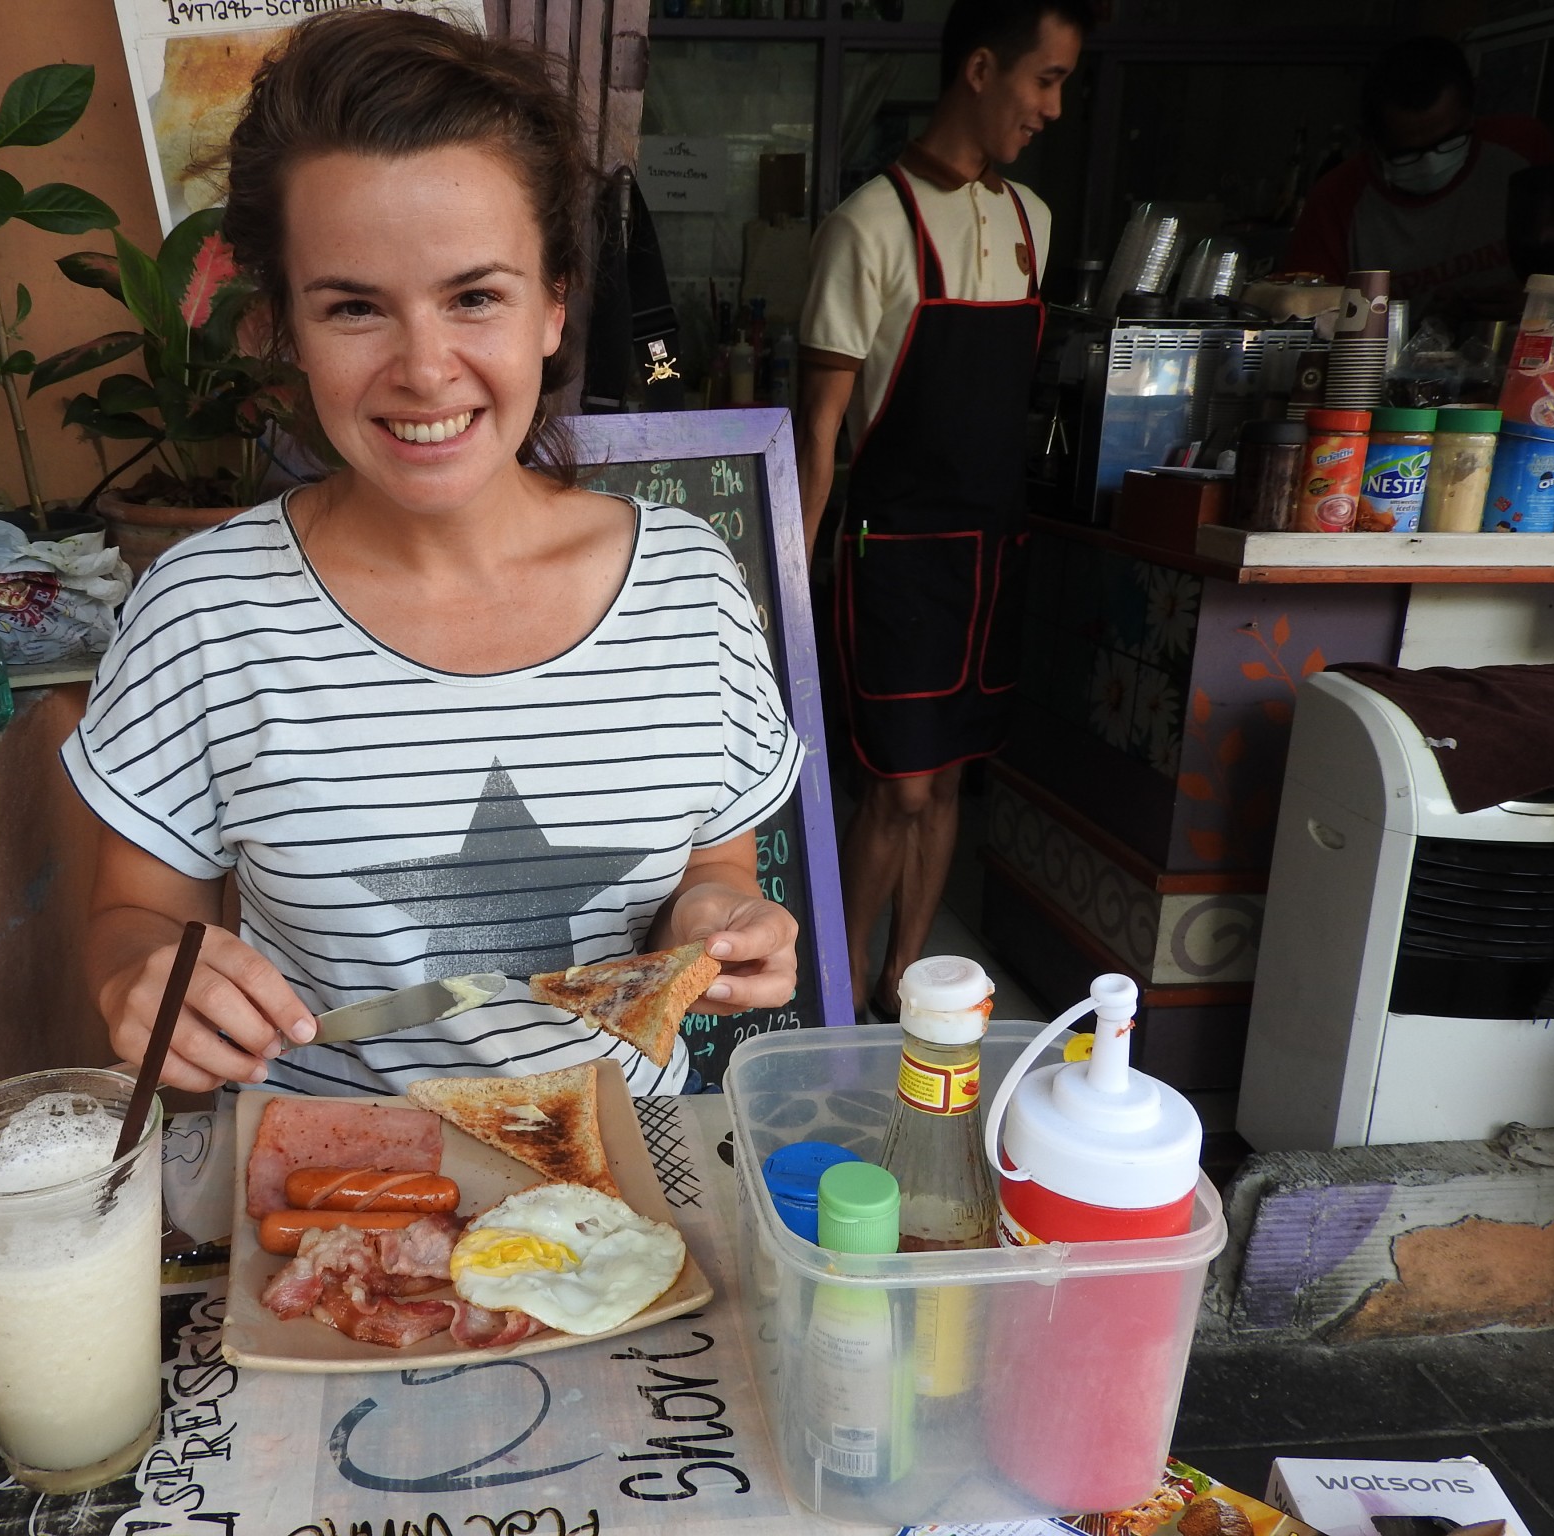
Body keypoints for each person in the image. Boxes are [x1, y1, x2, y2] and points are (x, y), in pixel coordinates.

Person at [66, 11, 803, 1098]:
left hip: (618, 1204)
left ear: (552, 307)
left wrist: (714, 914)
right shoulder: (205, 611)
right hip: (321, 1203)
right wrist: (144, 977)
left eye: (473, 297)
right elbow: (132, 918)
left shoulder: (691, 589)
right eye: (354, 306)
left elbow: (715, 859)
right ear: (282, 330)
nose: (423, 368)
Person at [795, 0, 1085, 1023]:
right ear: (978, 68)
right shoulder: (866, 226)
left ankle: (903, 979)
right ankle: (837, 982)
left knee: (950, 782)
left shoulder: (1031, 224)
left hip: (990, 551)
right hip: (896, 555)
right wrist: (789, 580)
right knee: (898, 789)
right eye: (1042, 80)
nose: (1051, 107)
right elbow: (819, 432)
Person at [1284, 35, 1554, 310]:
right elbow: (1307, 315)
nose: (1431, 163)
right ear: (1371, 141)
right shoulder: (1336, 199)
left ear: (1470, 112)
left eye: (1450, 142)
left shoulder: (1523, 149)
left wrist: (1533, 302)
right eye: (1407, 154)